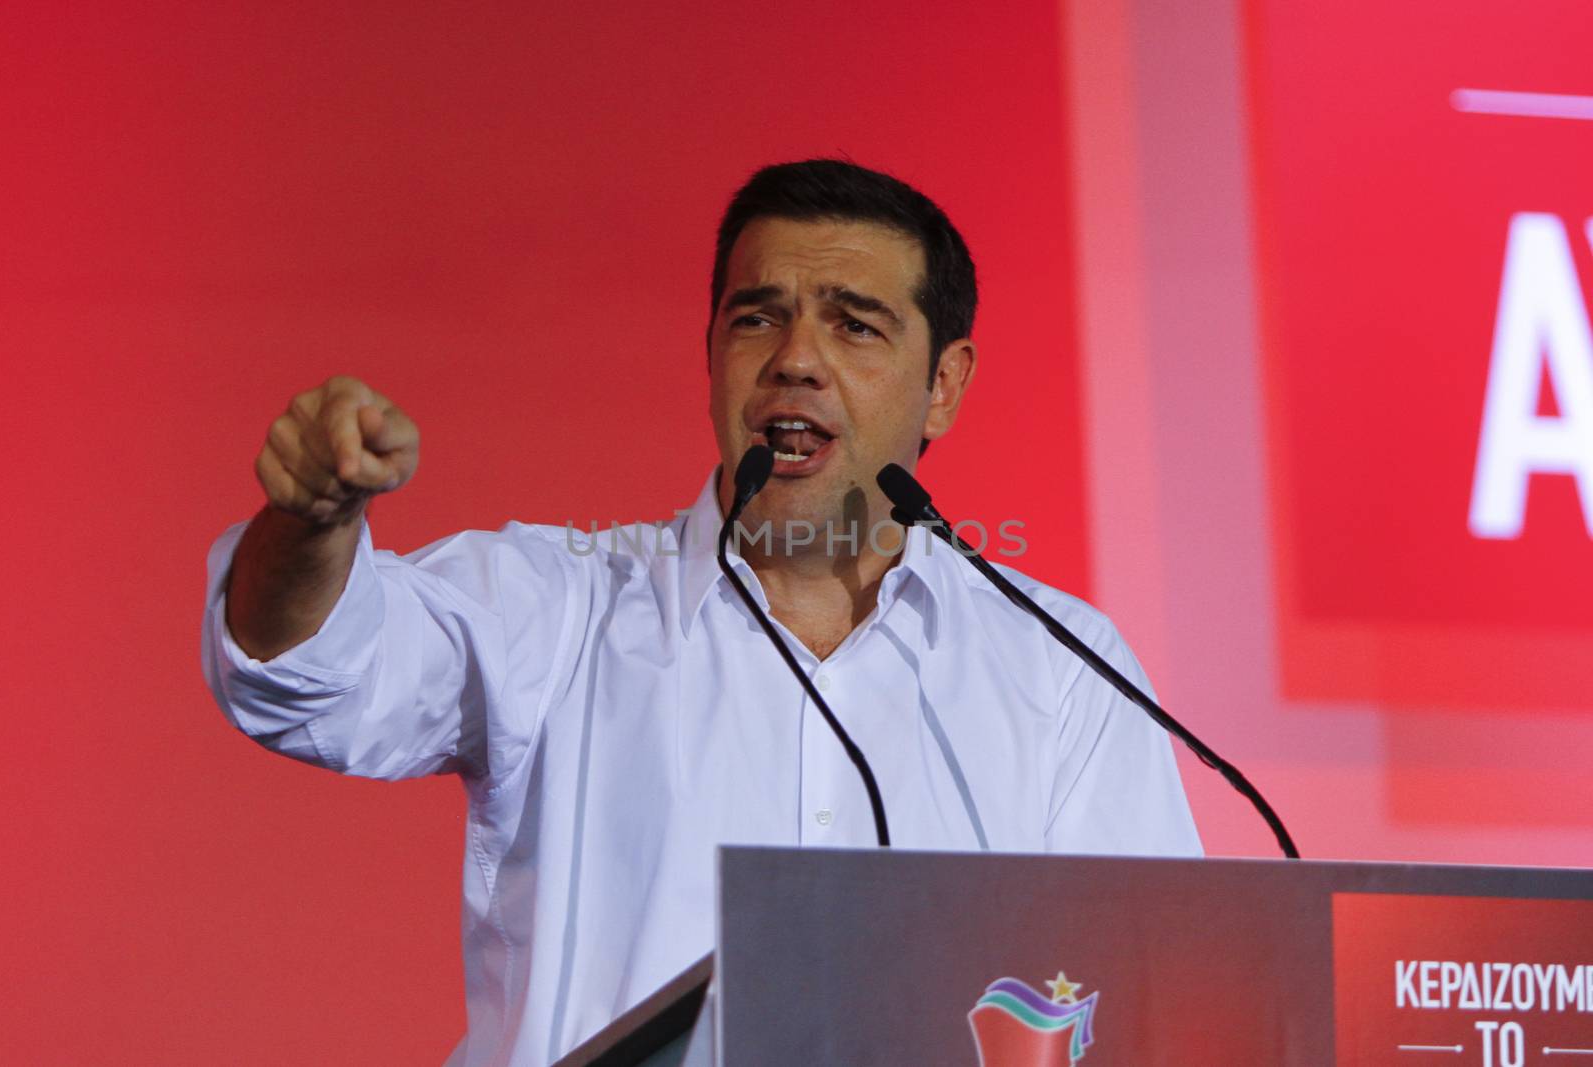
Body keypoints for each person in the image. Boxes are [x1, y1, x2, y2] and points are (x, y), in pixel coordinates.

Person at [201, 159, 1201, 1065]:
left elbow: (1158, 995)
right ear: (711, 353)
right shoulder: (559, 608)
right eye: (757, 317)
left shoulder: (1060, 668)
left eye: (854, 323)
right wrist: (312, 523)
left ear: (942, 386)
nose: (795, 359)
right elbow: (303, 672)